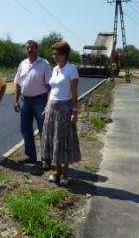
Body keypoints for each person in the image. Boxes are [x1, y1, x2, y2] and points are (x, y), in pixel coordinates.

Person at [42, 41, 81, 186]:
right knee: (52, 140)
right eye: (53, 54)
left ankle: (65, 174)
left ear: (65, 54)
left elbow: (74, 92)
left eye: (57, 54)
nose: (54, 56)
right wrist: (47, 107)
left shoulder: (72, 70)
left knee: (63, 141)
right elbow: (52, 90)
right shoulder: (54, 69)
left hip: (65, 108)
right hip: (52, 107)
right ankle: (56, 172)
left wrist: (75, 110)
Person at [14, 40, 52, 166]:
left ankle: (46, 159)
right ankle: (31, 156)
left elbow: (49, 86)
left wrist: (49, 103)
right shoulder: (22, 64)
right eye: (28, 48)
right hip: (25, 100)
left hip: (40, 100)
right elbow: (18, 84)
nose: (30, 50)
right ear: (26, 50)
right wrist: (16, 100)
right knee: (25, 129)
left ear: (37, 49)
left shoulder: (44, 63)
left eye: (32, 48)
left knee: (43, 130)